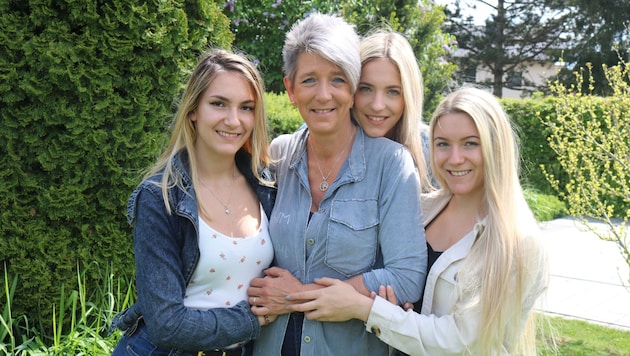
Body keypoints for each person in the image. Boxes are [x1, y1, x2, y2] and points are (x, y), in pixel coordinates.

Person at [286, 87, 549, 355]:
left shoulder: (517, 241)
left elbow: (464, 342)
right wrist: (394, 309)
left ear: (496, 147)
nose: (454, 158)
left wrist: (367, 309)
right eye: (443, 144)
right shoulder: (422, 208)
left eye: (471, 143)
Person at [247, 13, 427, 356]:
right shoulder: (279, 156)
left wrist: (294, 297)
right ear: (290, 89)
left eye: (338, 80)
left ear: (351, 86)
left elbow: (406, 277)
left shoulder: (391, 164)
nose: (324, 94)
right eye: (310, 80)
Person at [110, 49, 277, 356]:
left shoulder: (266, 186)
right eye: (218, 104)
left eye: (246, 107)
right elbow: (166, 324)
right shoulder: (161, 197)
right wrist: (252, 320)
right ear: (193, 110)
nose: (233, 120)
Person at [353, 29, 434, 190]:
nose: (377, 105)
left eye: (392, 92)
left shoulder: (432, 148)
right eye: (366, 89)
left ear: (409, 97)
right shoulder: (317, 141)